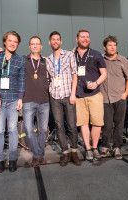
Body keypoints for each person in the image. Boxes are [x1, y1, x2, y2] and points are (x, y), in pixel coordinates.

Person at [47, 31, 81, 166]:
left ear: (60, 42)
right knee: (59, 126)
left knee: (72, 126)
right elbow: (49, 79)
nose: (55, 41)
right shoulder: (48, 59)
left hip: (68, 95)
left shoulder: (69, 55)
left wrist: (73, 94)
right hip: (55, 97)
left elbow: (75, 75)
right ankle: (65, 153)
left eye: (57, 39)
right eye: (53, 40)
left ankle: (74, 152)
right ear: (50, 42)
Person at [0, 31, 26, 172]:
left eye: (15, 41)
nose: (12, 43)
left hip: (13, 100)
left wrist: (20, 98)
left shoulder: (20, 60)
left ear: (17, 44)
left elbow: (22, 81)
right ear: (5, 42)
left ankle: (12, 159)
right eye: (10, 40)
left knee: (13, 130)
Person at [74, 29, 107, 162]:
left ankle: (94, 148)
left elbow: (104, 73)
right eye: (82, 37)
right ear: (77, 39)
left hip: (94, 94)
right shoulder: (71, 55)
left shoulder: (96, 54)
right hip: (78, 95)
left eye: (87, 37)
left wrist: (97, 82)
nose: (85, 39)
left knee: (97, 123)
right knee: (83, 123)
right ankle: (87, 149)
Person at [100, 35, 128, 160]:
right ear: (105, 47)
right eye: (109, 45)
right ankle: (106, 146)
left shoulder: (123, 60)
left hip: (119, 98)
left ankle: (117, 147)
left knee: (119, 124)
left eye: (114, 45)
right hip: (105, 99)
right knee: (107, 125)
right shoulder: (100, 59)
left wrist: (125, 94)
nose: (112, 47)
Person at [22, 36, 49, 168]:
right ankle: (39, 154)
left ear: (41, 46)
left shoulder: (46, 61)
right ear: (29, 46)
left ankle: (38, 156)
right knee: (28, 128)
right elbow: (10, 58)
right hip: (28, 100)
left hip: (44, 101)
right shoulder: (23, 60)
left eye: (37, 44)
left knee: (43, 130)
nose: (35, 46)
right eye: (32, 44)